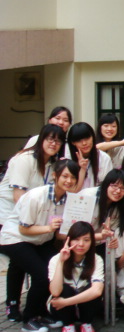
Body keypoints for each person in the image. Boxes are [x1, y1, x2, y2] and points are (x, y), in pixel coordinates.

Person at [0, 160, 80, 332]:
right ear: (55, 176)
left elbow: (60, 232)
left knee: (55, 268)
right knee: (41, 275)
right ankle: (29, 318)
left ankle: (42, 312)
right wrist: (49, 228)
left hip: (40, 240)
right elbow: (24, 228)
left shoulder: (68, 200)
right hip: (16, 238)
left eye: (73, 177)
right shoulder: (36, 196)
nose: (69, 181)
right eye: (65, 176)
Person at [0, 124, 65, 321]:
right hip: (13, 217)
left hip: (36, 224)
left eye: (58, 140)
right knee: (23, 263)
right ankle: (14, 306)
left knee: (31, 264)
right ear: (41, 140)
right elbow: (19, 196)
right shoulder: (25, 160)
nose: (54, 143)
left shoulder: (52, 164)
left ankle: (37, 309)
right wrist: (38, 223)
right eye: (50, 139)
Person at [48, 222, 103, 332]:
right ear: (69, 240)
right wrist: (61, 262)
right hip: (61, 307)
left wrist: (65, 302)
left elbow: (97, 291)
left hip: (76, 304)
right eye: (76, 239)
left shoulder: (96, 259)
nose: (81, 244)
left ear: (92, 242)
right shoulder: (56, 259)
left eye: (86, 240)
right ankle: (68, 325)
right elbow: (55, 292)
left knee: (92, 289)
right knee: (65, 289)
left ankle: (86, 323)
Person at [68, 122, 113, 189]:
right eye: (79, 141)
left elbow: (108, 185)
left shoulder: (104, 158)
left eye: (87, 138)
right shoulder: (67, 160)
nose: (84, 143)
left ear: (93, 137)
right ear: (73, 143)